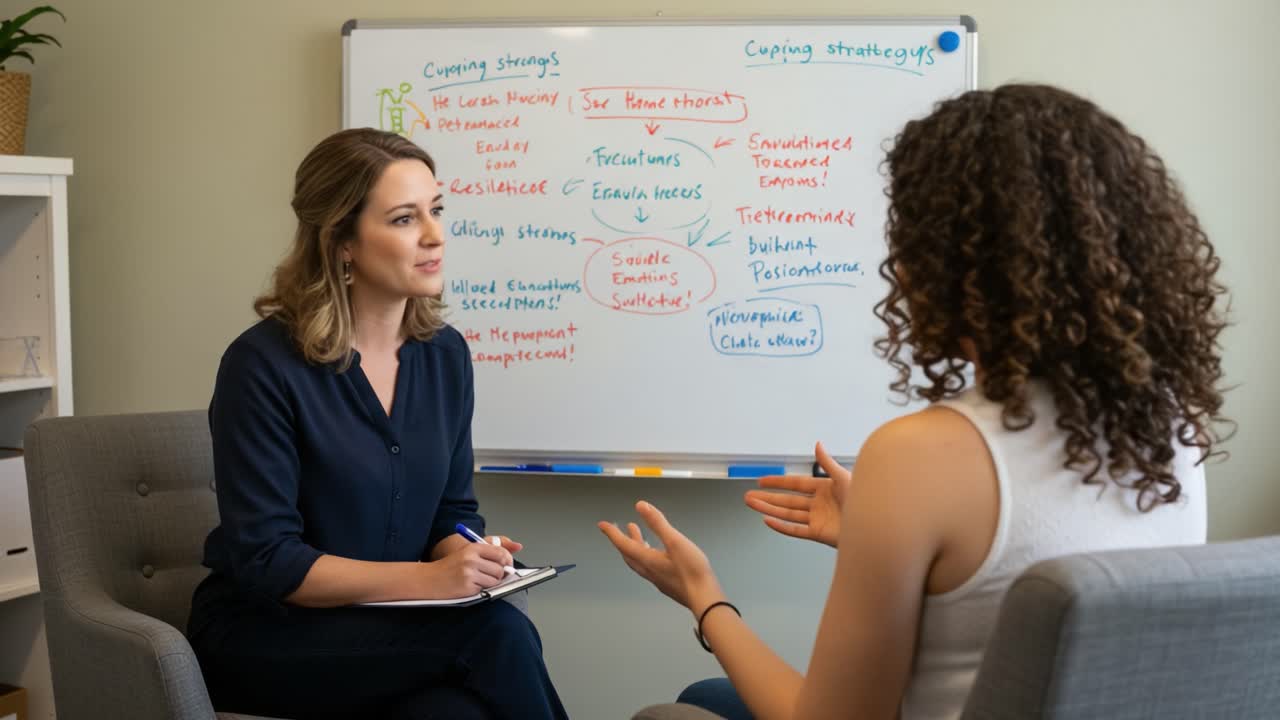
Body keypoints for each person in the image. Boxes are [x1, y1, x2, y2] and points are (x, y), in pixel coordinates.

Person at [600, 84, 1230, 720]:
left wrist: (705, 598)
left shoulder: (920, 456)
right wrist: (885, 544)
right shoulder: (1172, 428)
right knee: (709, 701)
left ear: (947, 260)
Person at [187, 127, 568, 720]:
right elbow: (271, 562)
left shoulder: (445, 355)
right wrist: (433, 580)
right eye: (403, 219)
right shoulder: (261, 366)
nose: (435, 236)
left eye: (436, 210)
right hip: (268, 635)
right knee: (495, 633)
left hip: (390, 634)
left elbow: (452, 512)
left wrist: (473, 558)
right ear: (341, 239)